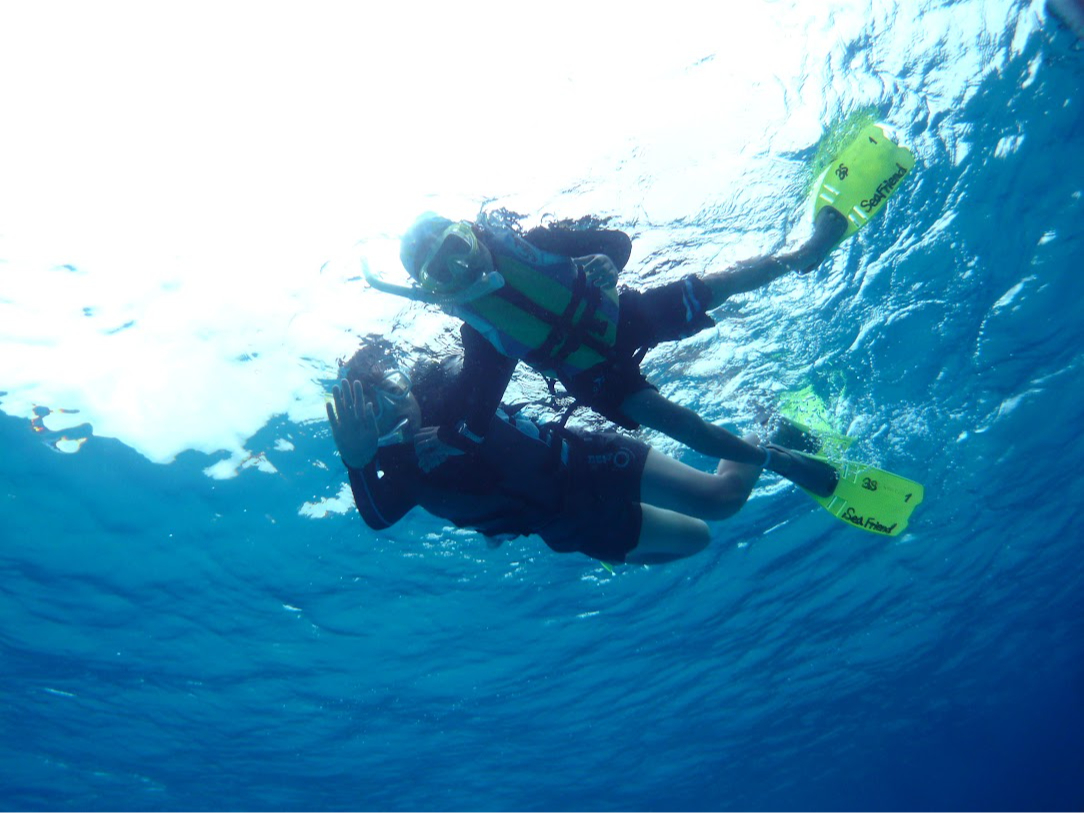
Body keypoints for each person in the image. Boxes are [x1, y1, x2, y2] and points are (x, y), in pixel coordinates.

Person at [361, 123, 914, 498]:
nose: (459, 268)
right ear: (432, 288)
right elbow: (475, 410)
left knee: (713, 284)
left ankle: (802, 255)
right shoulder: (481, 334)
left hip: (624, 315)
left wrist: (607, 261)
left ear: (470, 233)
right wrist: (449, 438)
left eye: (455, 247)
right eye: (441, 270)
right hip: (595, 377)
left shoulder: (533, 239)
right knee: (681, 423)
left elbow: (616, 240)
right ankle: (777, 460)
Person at [325, 342, 763, 565]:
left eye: (396, 389)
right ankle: (756, 440)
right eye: (377, 414)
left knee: (721, 500)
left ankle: (765, 427)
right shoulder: (398, 471)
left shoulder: (448, 389)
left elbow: (495, 350)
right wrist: (356, 460)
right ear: (367, 429)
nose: (399, 409)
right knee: (698, 539)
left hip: (589, 466)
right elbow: (377, 518)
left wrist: (460, 432)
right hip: (569, 528)